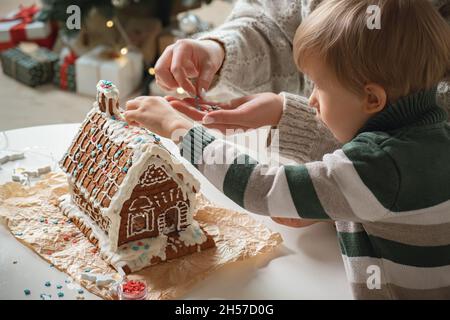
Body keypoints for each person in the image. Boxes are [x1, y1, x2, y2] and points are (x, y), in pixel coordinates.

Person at [124, 0, 450, 299]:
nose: (312, 98)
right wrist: (282, 108)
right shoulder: (431, 136)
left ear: (373, 98)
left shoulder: (378, 168)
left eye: (320, 86)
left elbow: (260, 187)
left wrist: (179, 130)